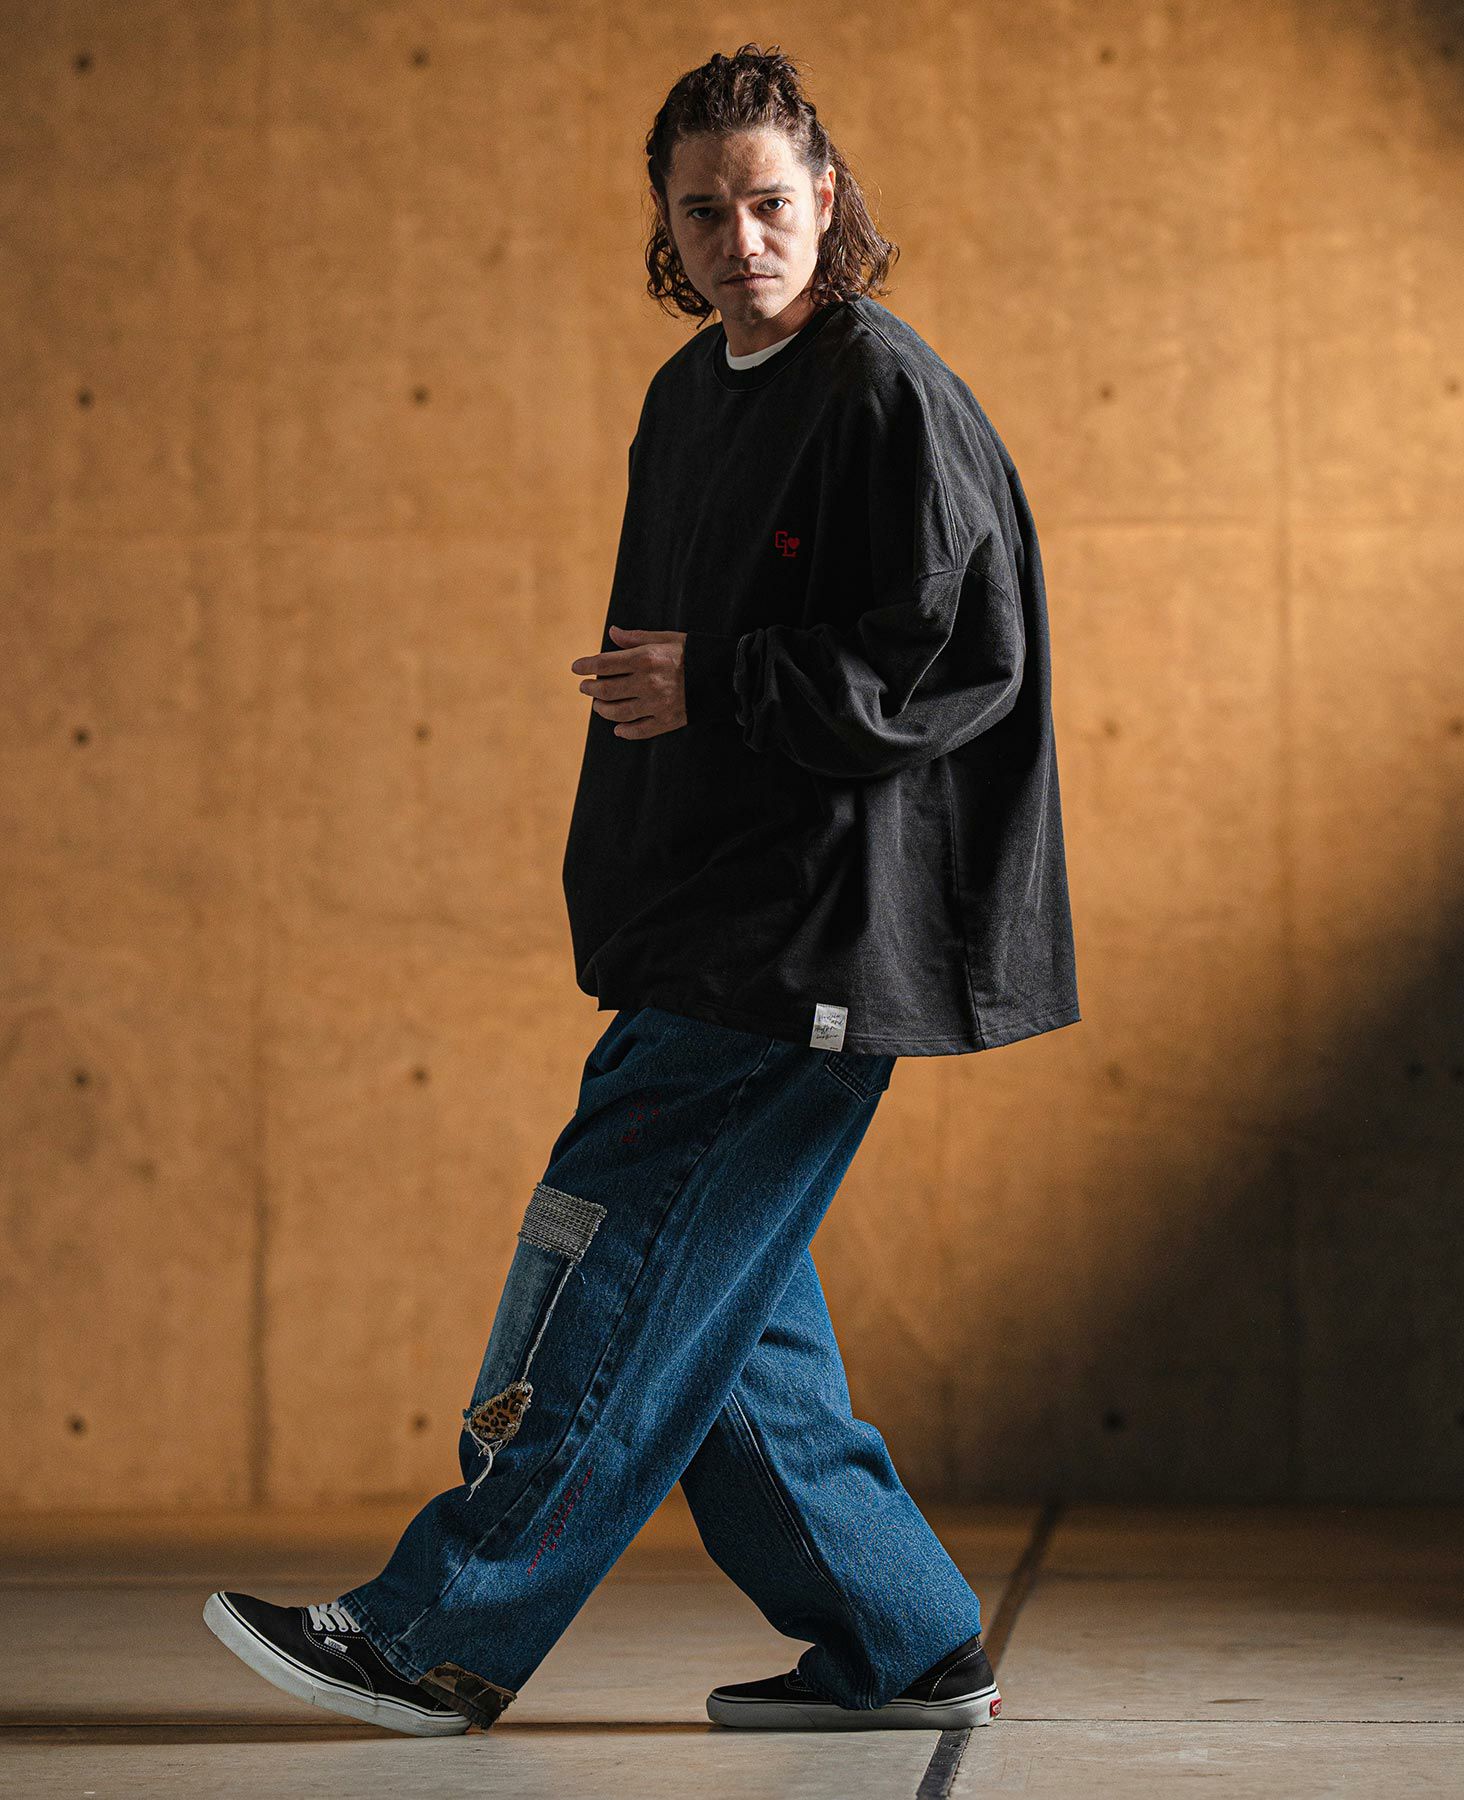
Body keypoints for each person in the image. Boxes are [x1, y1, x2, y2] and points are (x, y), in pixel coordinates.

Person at [202, 42, 1079, 1738]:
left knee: (605, 1257)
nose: (742, 239)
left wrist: (725, 683)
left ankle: (434, 1634)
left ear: (827, 198)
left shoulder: (884, 393)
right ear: (665, 227)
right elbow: (671, 680)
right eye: (704, 213)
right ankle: (902, 1643)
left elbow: (958, 658)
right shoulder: (691, 396)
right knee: (723, 1318)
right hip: (703, 921)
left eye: (771, 203)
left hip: (809, 936)